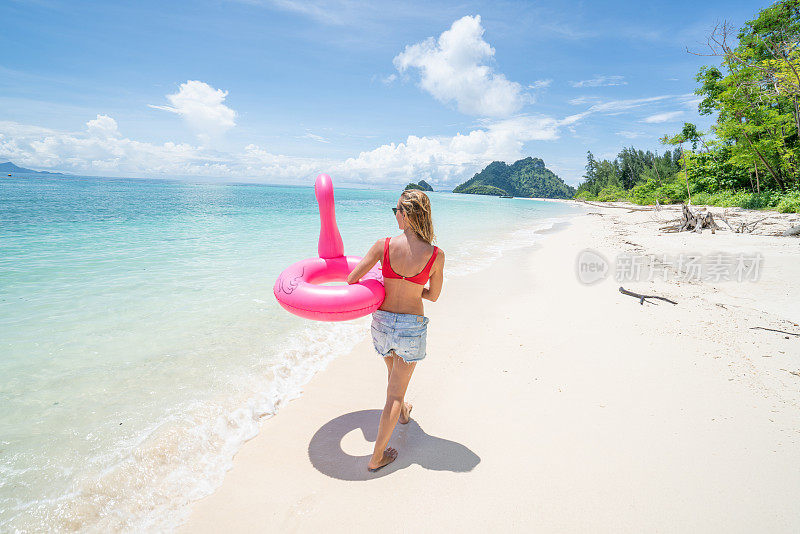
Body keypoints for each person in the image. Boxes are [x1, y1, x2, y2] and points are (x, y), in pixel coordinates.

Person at [346, 189, 445, 472]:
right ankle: (377, 457)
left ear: (407, 214)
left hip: (383, 323)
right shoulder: (435, 255)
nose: (395, 216)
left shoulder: (383, 246)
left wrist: (385, 282)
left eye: (396, 211)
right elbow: (434, 295)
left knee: (394, 379)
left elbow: (352, 279)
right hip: (410, 326)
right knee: (395, 392)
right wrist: (413, 288)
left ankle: (403, 414)